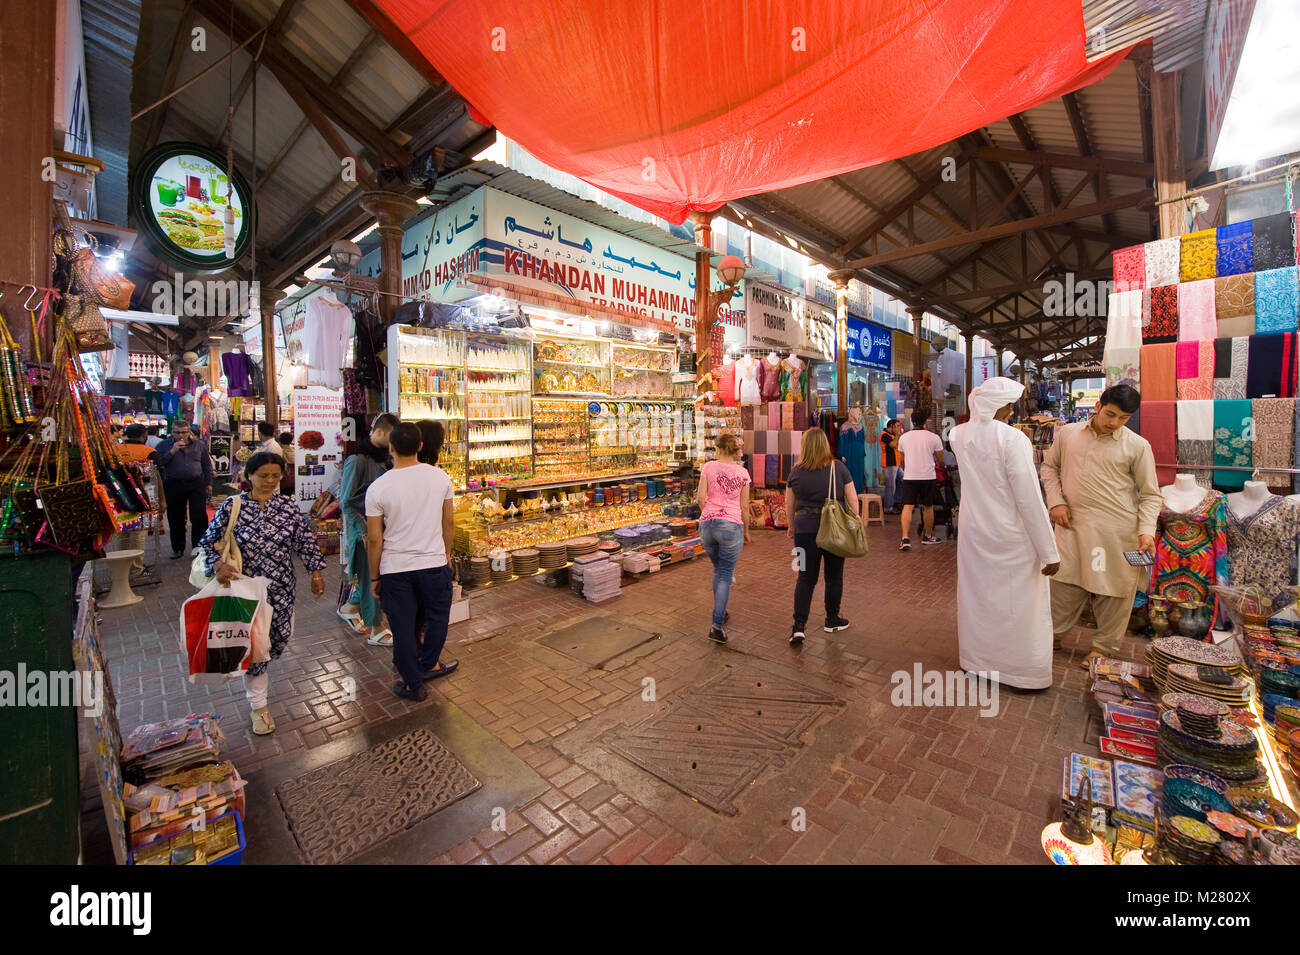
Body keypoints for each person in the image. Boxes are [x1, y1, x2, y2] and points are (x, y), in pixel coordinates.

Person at [203, 451, 327, 735]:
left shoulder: (288, 506)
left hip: (282, 587)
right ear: (249, 476)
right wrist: (219, 564)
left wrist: (316, 572)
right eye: (264, 476)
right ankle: (259, 707)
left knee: (279, 639)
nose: (271, 481)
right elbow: (207, 542)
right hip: (245, 589)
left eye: (276, 475)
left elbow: (304, 541)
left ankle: (256, 675)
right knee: (257, 649)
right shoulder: (233, 507)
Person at [949, 378, 1061, 690]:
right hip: (1012, 535)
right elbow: (1029, 499)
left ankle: (977, 660)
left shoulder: (958, 435)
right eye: (1008, 405)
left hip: (974, 532)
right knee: (1020, 604)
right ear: (994, 406)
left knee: (978, 598)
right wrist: (1048, 551)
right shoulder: (1012, 439)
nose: (1012, 411)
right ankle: (1022, 671)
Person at [1040, 384, 1161, 670]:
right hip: (1072, 526)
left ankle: (1103, 648)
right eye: (1110, 414)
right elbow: (1049, 468)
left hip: (1116, 533)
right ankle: (1049, 636)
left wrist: (1146, 531)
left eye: (1123, 418)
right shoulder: (1068, 434)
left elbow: (1150, 494)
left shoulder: (1137, 446)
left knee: (1114, 590)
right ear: (1097, 406)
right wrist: (1056, 502)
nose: (1114, 423)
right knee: (1062, 584)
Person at [366, 422, 458, 701]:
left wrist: (374, 577)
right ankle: (428, 662)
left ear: (391, 447)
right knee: (438, 617)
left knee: (403, 627)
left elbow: (374, 539)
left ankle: (412, 683)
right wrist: (447, 554)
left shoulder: (378, 487)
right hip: (433, 563)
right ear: (420, 446)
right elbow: (449, 521)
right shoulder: (440, 477)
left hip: (396, 569)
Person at [784, 427, 860, 645]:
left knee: (806, 578)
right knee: (834, 576)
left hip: (805, 531)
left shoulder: (796, 472)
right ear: (826, 444)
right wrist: (854, 523)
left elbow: (789, 504)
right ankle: (832, 619)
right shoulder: (839, 468)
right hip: (834, 531)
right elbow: (852, 499)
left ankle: (799, 626)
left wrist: (791, 526)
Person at [338, 413, 397, 645]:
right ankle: (376, 627)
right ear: (379, 432)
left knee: (371, 575)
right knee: (369, 575)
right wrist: (363, 530)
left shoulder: (384, 459)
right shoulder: (357, 461)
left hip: (379, 528)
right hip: (363, 530)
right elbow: (346, 502)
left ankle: (351, 607)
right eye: (391, 437)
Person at [696, 432, 752, 644]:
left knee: (719, 570)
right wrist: (746, 531)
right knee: (725, 574)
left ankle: (722, 609)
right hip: (730, 526)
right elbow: (744, 506)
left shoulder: (708, 467)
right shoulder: (743, 473)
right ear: (736, 451)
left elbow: (700, 497)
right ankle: (716, 626)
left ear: (718, 450)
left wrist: (709, 513)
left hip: (707, 525)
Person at [154, 420, 212, 558]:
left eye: (184, 432)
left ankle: (198, 548)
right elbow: (158, 464)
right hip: (174, 484)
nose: (181, 435)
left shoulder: (199, 445)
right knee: (176, 517)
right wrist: (172, 451)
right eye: (177, 432)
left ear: (189, 432)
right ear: (172, 432)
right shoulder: (163, 445)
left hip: (196, 483)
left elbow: (206, 465)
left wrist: (208, 483)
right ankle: (178, 548)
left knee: (199, 516)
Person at [897, 408, 945, 550]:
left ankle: (905, 538)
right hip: (928, 476)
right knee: (928, 506)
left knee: (908, 505)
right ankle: (928, 536)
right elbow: (941, 460)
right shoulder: (934, 437)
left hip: (910, 476)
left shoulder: (904, 437)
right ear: (925, 422)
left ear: (912, 421)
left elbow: (902, 460)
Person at [117, 424, 156, 575]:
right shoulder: (148, 452)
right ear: (143, 435)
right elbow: (155, 477)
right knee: (139, 532)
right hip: (142, 497)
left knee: (124, 532)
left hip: (119, 497)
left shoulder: (115, 450)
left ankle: (122, 567)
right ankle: (136, 569)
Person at [880, 419, 903, 513]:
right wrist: (898, 435)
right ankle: (888, 507)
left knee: (903, 479)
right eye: (897, 426)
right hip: (889, 463)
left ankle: (896, 500)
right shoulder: (884, 435)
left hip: (896, 463)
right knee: (890, 485)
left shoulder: (893, 435)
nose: (899, 428)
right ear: (892, 426)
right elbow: (893, 445)